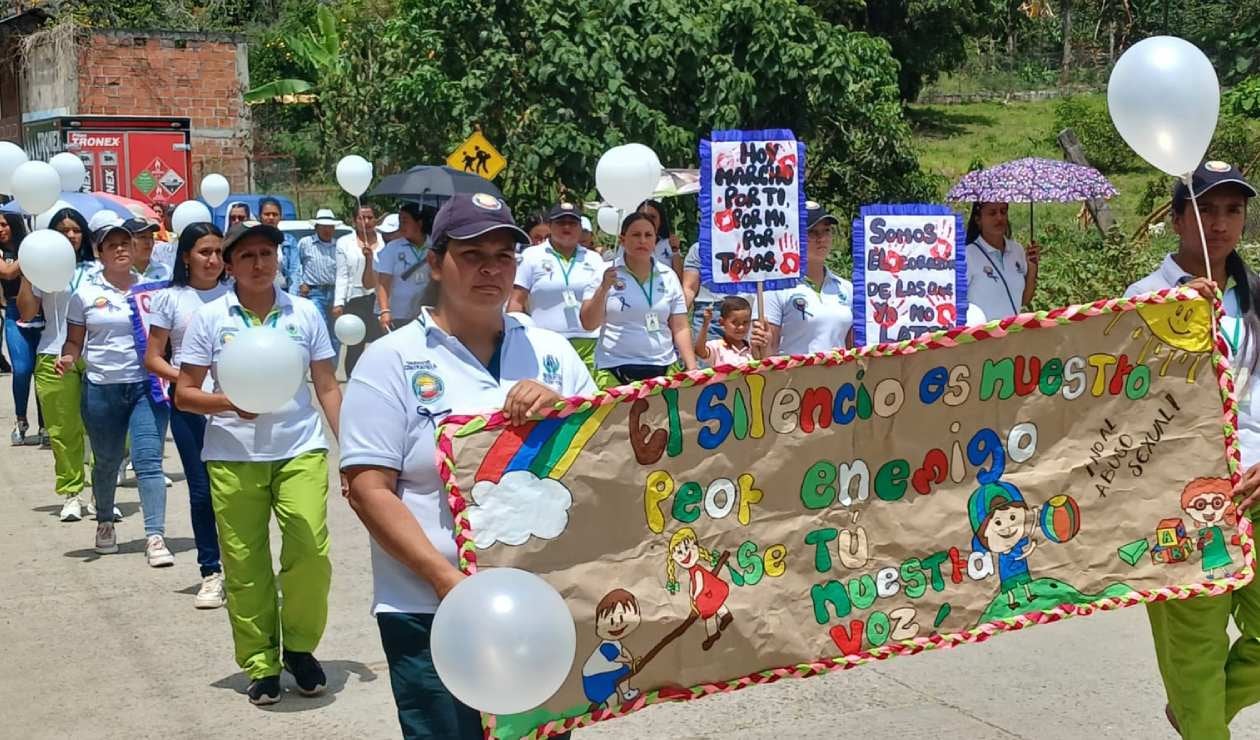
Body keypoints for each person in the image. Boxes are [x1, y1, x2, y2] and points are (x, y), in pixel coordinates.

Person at [340, 191, 592, 739]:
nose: (491, 269)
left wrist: (566, 415)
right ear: (435, 261)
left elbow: (604, 466)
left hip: (541, 605)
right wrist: (446, 582)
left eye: (504, 256)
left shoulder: (554, 354)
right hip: (431, 609)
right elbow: (366, 487)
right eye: (473, 254)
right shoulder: (391, 361)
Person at [175, 221, 342, 706]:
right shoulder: (210, 318)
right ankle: (262, 663)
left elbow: (327, 386)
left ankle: (301, 647)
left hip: (300, 448)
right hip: (233, 455)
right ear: (229, 266)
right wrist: (230, 403)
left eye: (267, 253)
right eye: (246, 256)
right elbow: (184, 393)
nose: (258, 263)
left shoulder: (305, 313)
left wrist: (353, 451)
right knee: (245, 565)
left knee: (310, 553)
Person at [1124, 161, 1260, 739]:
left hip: (1256, 487)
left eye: (1233, 209)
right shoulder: (1141, 301)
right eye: (1206, 209)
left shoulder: (1256, 297)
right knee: (1195, 656)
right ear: (1177, 218)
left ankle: (1198, 710)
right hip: (1181, 506)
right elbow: (1120, 412)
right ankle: (1200, 716)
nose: (1221, 223)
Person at [58, 218, 171, 565]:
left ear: (135, 248)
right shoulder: (85, 294)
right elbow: (75, 340)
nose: (121, 248)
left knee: (148, 463)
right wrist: (67, 358)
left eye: (126, 243)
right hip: (102, 389)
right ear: (100, 254)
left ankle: (155, 536)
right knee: (106, 461)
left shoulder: (153, 290)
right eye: (112, 245)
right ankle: (105, 520)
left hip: (145, 387)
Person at [144, 222, 230, 609]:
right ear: (186, 257)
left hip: (236, 408)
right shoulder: (170, 299)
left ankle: (245, 569)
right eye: (204, 252)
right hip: (190, 407)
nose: (213, 260)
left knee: (238, 492)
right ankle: (210, 571)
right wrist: (191, 379)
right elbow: (153, 358)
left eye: (218, 252)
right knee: (201, 492)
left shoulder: (238, 295)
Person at [17, 207, 104, 522]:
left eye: (76, 229)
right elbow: (26, 314)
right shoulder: (45, 268)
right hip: (54, 354)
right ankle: (72, 493)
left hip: (97, 357)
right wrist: (30, 270)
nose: (71, 235)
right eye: (64, 230)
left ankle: (101, 494)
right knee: (63, 430)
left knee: (102, 430)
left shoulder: (97, 270)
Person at [580, 212, 697, 387]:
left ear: (655, 240)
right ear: (622, 239)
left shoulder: (668, 275)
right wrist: (603, 288)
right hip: (614, 368)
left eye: (648, 235)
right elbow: (588, 324)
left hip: (663, 367)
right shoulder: (604, 273)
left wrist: (692, 366)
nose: (642, 241)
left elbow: (680, 326)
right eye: (636, 235)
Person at [509, 202, 606, 373]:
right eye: (561, 222)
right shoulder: (532, 256)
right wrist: (513, 339)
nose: (567, 227)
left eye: (573, 223)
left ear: (580, 228)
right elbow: (516, 301)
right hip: (544, 341)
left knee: (588, 398)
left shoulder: (594, 259)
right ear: (550, 226)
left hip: (589, 343)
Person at [754, 202, 853, 356]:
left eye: (826, 231)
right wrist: (761, 345)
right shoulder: (775, 288)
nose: (821, 238)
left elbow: (852, 348)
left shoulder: (846, 288)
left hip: (839, 378)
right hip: (793, 379)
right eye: (812, 232)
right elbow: (765, 355)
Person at [0, 213, 43, 446]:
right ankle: (21, 419)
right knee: (23, 369)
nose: (1, 229)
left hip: (40, 312)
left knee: (42, 370)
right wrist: (29, 254)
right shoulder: (14, 251)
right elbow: (7, 273)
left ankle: (45, 424)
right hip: (14, 314)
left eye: (4, 224)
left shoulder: (33, 245)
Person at [964, 202, 1040, 320]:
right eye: (992, 213)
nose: (999, 218)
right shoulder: (967, 255)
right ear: (978, 219)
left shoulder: (1017, 250)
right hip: (981, 336)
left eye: (1003, 211)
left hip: (1012, 334)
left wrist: (1032, 267)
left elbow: (1024, 300)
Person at [335, 204, 383, 376]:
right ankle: (352, 380)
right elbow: (342, 275)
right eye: (362, 218)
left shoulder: (385, 241)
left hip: (380, 299)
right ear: (354, 220)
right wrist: (338, 303)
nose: (367, 222)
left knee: (381, 344)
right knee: (355, 345)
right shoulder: (344, 243)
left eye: (370, 217)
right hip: (355, 300)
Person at [375, 202, 433, 332]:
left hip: (427, 312)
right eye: (400, 221)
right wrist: (384, 311)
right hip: (398, 315)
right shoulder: (393, 248)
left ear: (419, 223)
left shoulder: (435, 247)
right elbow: (383, 282)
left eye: (405, 221)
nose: (401, 226)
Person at [296, 208, 342, 356]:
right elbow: (297, 265)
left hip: (336, 292)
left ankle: (332, 368)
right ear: (316, 227)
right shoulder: (305, 243)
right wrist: (301, 283)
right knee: (320, 327)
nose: (327, 230)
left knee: (336, 331)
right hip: (314, 291)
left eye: (330, 227)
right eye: (324, 227)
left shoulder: (339, 245)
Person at [694, 296, 754, 368]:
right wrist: (705, 324)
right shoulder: (716, 346)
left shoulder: (753, 349)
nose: (741, 327)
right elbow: (699, 351)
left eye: (745, 322)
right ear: (722, 322)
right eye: (735, 322)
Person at [682, 241, 723, 342]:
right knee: (705, 357)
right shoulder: (699, 248)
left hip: (747, 313)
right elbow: (689, 288)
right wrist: (678, 320)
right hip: (709, 314)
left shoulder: (752, 246)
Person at [259, 197, 301, 292]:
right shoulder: (252, 240)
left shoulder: (289, 241)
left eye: (275, 214)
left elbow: (294, 271)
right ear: (260, 216)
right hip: (259, 293)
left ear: (280, 217)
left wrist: (292, 297)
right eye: (267, 214)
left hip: (283, 292)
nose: (271, 217)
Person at [637, 199, 683, 277]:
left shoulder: (669, 244)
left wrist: (675, 250)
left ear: (661, 220)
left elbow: (678, 279)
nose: (647, 220)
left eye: (652, 217)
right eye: (642, 216)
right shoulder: (628, 244)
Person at [127, 216, 172, 281]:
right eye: (142, 237)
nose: (149, 242)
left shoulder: (166, 271)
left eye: (151, 237)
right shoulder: (115, 275)